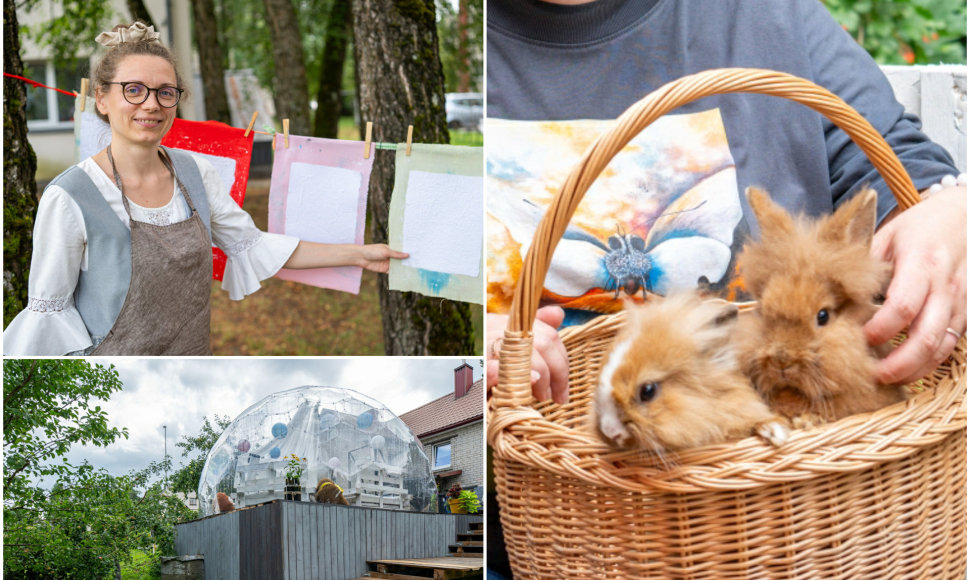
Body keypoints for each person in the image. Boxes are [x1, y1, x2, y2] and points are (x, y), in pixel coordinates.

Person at [485, 0, 966, 405]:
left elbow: (902, 171)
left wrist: (946, 212)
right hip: (551, 492)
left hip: (806, 494)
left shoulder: (768, 13)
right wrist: (471, 346)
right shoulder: (431, 54)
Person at [3, 22, 407, 356]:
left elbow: (255, 246)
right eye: (133, 89)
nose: (151, 104)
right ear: (102, 99)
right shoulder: (69, 197)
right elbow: (50, 321)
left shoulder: (195, 173)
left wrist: (360, 253)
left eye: (165, 92)